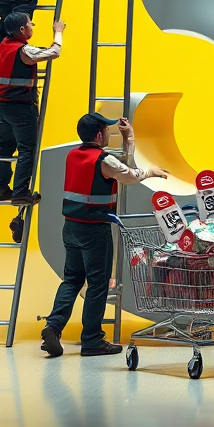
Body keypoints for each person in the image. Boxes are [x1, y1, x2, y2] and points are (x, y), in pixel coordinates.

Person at [40, 113, 168, 358]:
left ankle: (53, 327)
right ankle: (92, 340)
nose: (110, 133)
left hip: (71, 228)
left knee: (72, 280)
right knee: (98, 284)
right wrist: (150, 171)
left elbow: (118, 164)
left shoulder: (74, 155)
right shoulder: (103, 159)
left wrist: (128, 137)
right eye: (107, 130)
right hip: (94, 230)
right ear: (99, 135)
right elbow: (129, 175)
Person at [0, 11, 65, 205]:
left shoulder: (1, 47)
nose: (32, 26)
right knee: (27, 149)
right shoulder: (23, 51)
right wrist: (58, 32)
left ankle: (1, 187)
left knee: (4, 146)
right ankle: (21, 192)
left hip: (0, 106)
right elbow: (54, 52)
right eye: (30, 24)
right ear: (22, 29)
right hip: (20, 108)